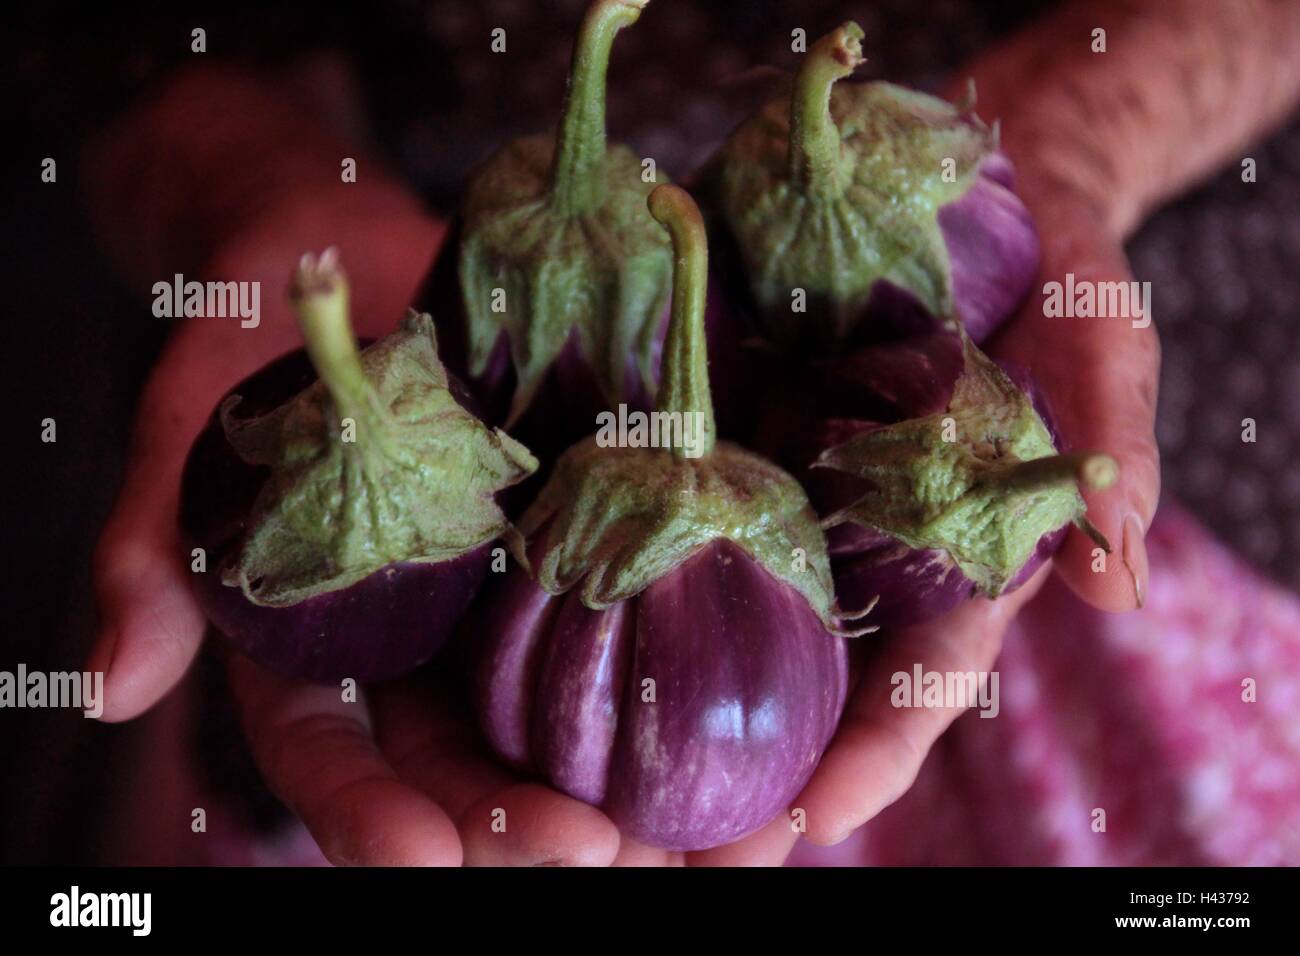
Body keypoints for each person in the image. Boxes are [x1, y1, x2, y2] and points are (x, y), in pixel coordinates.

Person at [86, 0, 1300, 865]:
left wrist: (1073, 139)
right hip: (462, 356)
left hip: (1195, 417)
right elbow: (117, 39)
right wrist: (261, 190)